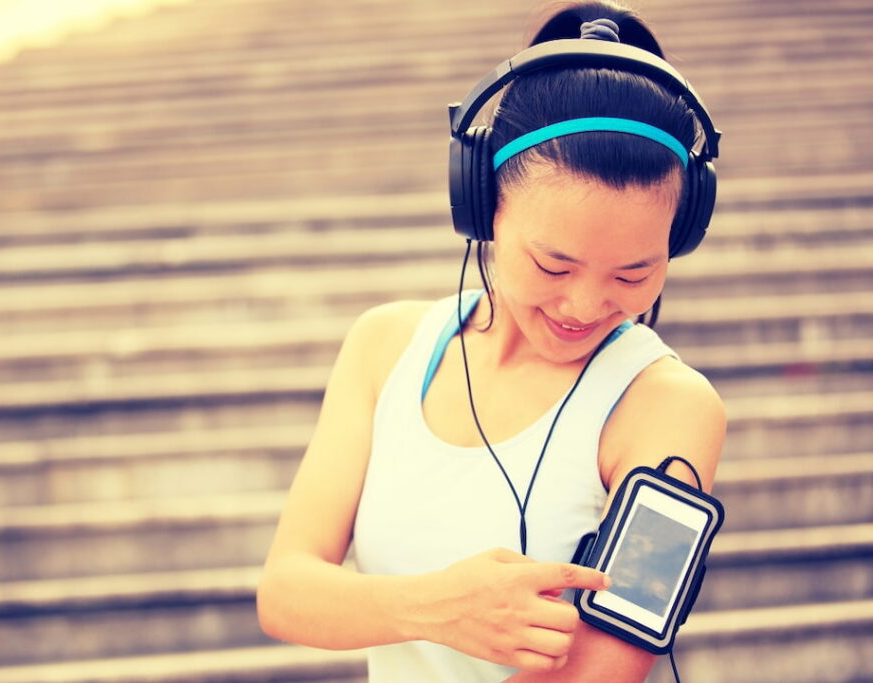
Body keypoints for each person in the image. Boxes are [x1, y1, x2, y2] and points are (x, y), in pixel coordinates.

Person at [256, 1, 726, 681]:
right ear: (483, 209)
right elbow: (286, 590)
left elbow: (605, 667)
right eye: (553, 264)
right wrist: (434, 606)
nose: (586, 305)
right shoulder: (385, 347)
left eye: (635, 272)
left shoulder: (672, 407)